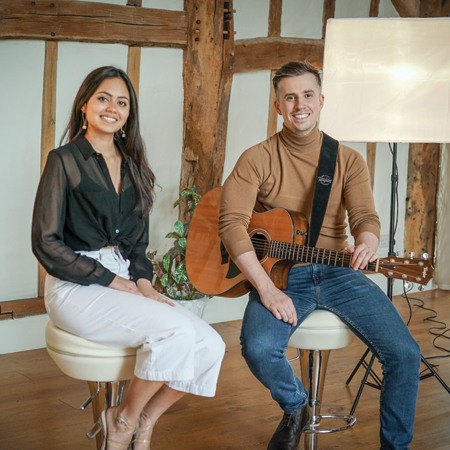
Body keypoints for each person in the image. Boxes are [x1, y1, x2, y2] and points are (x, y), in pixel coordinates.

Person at [218, 61, 421, 450]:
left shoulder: (347, 159)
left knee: (405, 354)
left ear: (321, 100)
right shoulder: (257, 158)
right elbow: (231, 225)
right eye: (289, 97)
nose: (300, 104)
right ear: (277, 106)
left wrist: (367, 240)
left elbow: (365, 216)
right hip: (279, 276)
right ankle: (297, 405)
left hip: (337, 272)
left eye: (308, 95)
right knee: (258, 348)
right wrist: (266, 289)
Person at [32, 66, 225, 450]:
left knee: (211, 345)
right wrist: (112, 280)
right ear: (85, 105)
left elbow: (138, 244)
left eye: (122, 102)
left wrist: (143, 284)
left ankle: (144, 419)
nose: (112, 108)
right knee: (175, 332)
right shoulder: (64, 160)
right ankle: (122, 420)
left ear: (128, 114)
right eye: (104, 98)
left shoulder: (134, 165)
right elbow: (46, 243)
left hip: (124, 278)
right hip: (75, 284)